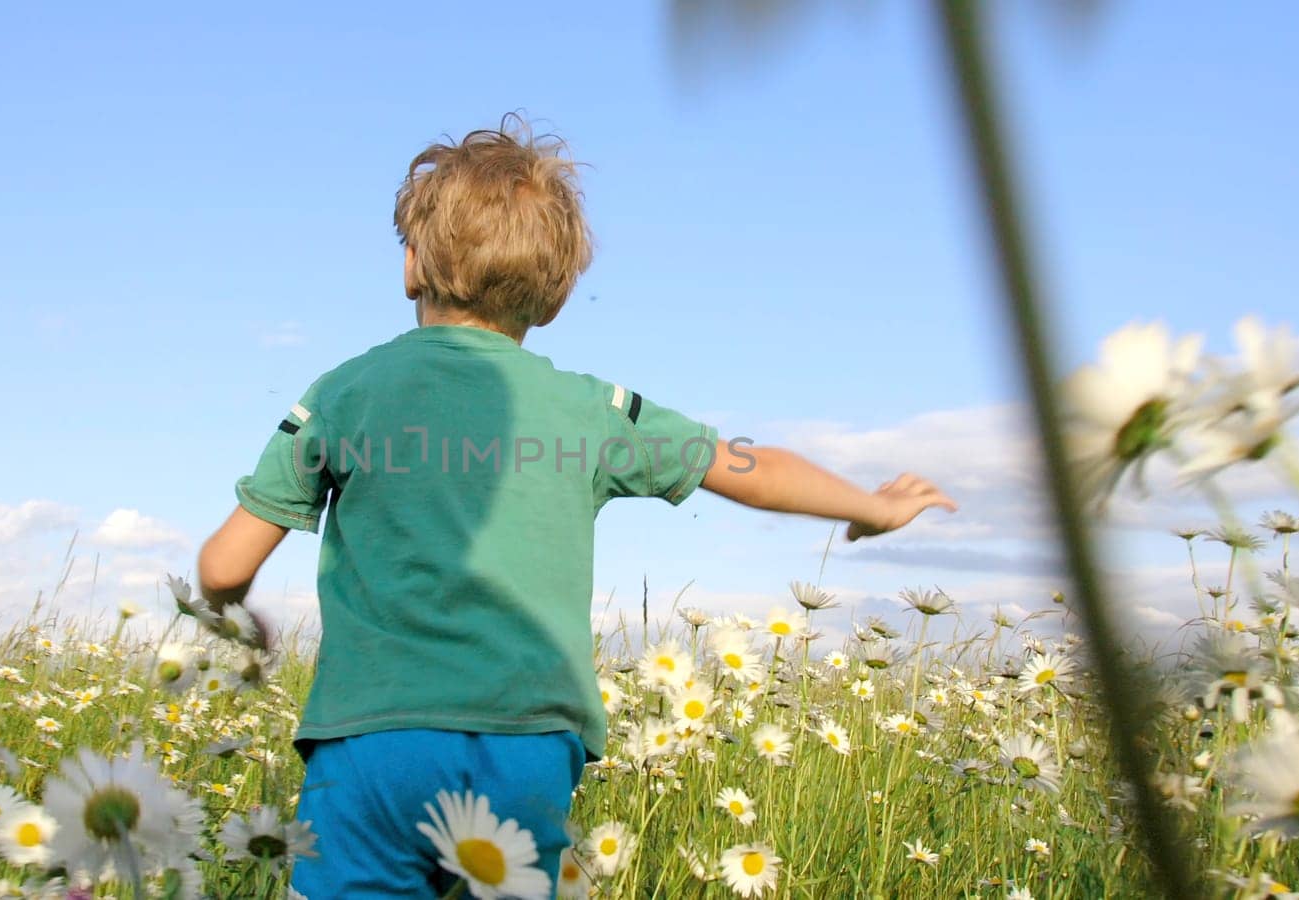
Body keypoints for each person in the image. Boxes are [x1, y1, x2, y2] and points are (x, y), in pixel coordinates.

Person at [196, 114, 956, 898]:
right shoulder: (591, 411)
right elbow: (749, 467)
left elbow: (225, 563)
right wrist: (870, 503)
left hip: (371, 742)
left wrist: (228, 603)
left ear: (411, 266)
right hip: (528, 746)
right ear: (555, 299)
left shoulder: (343, 393)